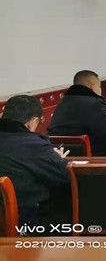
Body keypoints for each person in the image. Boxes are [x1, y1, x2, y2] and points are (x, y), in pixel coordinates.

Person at [0, 95, 70, 228]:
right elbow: (66, 174)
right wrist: (58, 158)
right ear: (32, 122)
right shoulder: (35, 145)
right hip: (25, 223)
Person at [48, 70, 106, 156]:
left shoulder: (61, 104)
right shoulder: (96, 105)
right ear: (93, 86)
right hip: (91, 158)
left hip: (58, 155)